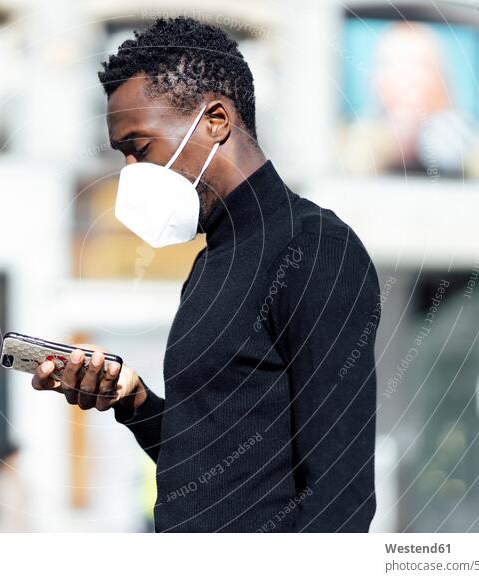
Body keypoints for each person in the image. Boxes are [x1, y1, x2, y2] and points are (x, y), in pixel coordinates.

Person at [31, 17, 382, 532]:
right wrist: (133, 402)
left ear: (216, 119)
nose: (131, 173)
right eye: (122, 155)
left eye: (141, 148)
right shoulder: (209, 261)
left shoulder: (314, 249)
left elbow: (342, 501)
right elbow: (209, 470)